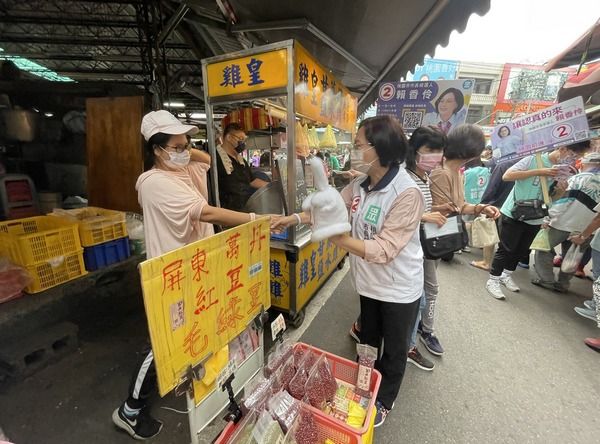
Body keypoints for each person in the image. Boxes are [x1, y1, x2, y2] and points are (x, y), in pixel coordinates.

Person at [112, 110, 274, 440]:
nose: (186, 151)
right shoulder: (154, 182)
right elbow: (207, 211)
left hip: (194, 268)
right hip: (170, 275)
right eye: (175, 146)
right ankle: (129, 410)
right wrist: (256, 219)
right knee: (162, 345)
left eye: (187, 143)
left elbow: (208, 160)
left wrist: (184, 149)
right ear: (156, 150)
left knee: (189, 334)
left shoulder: (181, 169)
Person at [273, 115, 425, 427]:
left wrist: (342, 240)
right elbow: (326, 208)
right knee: (367, 340)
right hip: (367, 283)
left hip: (398, 287)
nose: (354, 150)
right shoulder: (359, 184)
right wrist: (293, 220)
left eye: (358, 145)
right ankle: (364, 385)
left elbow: (385, 249)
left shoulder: (407, 192)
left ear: (379, 148)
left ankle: (384, 400)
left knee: (395, 350)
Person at [484, 141, 590, 300]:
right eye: (573, 155)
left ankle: (506, 275)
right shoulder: (533, 159)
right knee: (506, 249)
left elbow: (552, 198)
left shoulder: (565, 171)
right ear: (562, 149)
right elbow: (507, 176)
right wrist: (540, 171)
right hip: (514, 212)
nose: (573, 160)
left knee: (521, 250)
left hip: (536, 216)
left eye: (578, 157)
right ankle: (493, 280)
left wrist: (560, 191)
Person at [404, 126, 447, 370]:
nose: (436, 156)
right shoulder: (406, 177)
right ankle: (407, 347)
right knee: (417, 302)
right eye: (430, 149)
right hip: (407, 252)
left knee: (415, 302)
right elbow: (396, 214)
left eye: (439, 150)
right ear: (415, 150)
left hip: (419, 249)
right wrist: (425, 217)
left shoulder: (424, 176)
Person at [533, 149, 598, 292]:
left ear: (586, 163)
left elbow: (564, 202)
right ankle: (563, 284)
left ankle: (547, 279)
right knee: (572, 256)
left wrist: (549, 217)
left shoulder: (579, 178)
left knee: (543, 248)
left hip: (563, 223)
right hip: (587, 229)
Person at [470, 158, 519, 271]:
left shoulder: (504, 164)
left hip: (498, 203)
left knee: (490, 232)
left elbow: (492, 186)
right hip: (516, 207)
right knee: (506, 237)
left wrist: (483, 204)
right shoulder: (530, 164)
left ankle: (486, 262)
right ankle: (504, 266)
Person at [216, 122, 269, 212]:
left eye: (244, 140)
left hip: (244, 208)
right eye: (240, 139)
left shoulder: (241, 161)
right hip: (225, 212)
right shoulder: (216, 158)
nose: (243, 143)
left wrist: (272, 186)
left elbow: (251, 181)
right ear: (229, 138)